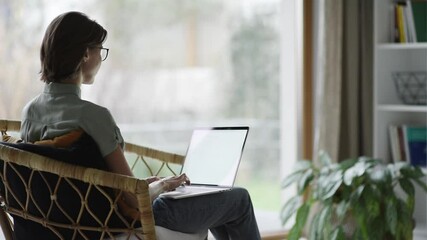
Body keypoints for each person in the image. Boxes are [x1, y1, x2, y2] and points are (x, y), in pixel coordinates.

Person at [20, 11, 261, 239]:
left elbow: (74, 182)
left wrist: (151, 184)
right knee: (238, 199)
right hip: (123, 218)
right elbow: (134, 200)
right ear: (85, 54)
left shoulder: (30, 112)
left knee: (215, 198)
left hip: (71, 221)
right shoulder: (94, 117)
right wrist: (165, 185)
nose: (101, 59)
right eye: (100, 51)